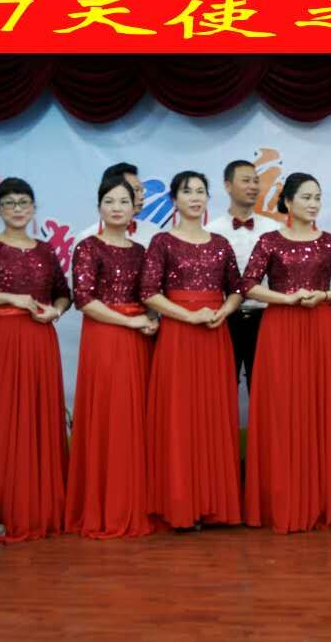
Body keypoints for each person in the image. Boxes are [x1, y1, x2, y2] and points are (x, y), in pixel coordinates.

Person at [0, 177, 72, 543]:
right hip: (5, 339)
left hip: (40, 340)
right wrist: (10, 298)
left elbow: (63, 294)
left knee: (40, 415)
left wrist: (55, 311)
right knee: (7, 415)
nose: (18, 209)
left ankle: (41, 505)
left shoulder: (45, 250)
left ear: (34, 208)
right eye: (9, 203)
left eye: (24, 203)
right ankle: (3, 505)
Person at [240, 173, 331, 534]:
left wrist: (324, 296)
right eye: (306, 197)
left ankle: (319, 499)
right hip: (280, 326)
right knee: (282, 407)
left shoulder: (330, 242)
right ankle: (281, 499)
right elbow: (248, 285)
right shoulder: (269, 241)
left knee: (318, 405)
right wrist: (284, 299)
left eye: (317, 197)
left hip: (320, 326)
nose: (313, 203)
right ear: (288, 201)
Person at [142, 171, 245, 530]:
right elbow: (149, 292)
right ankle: (181, 506)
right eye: (187, 192)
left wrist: (224, 311)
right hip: (178, 336)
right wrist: (189, 315)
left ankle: (215, 505)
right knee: (180, 417)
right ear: (174, 200)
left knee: (214, 415)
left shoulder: (220, 243)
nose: (195, 197)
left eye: (201, 191)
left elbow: (237, 289)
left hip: (214, 333)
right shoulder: (162, 242)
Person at [64, 175, 157, 539]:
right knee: (109, 416)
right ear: (99, 207)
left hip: (137, 341)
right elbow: (85, 300)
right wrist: (130, 321)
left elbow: (150, 296)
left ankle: (137, 501)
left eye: (123, 201)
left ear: (135, 208)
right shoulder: (88, 247)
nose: (116, 208)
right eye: (109, 201)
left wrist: (150, 319)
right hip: (104, 338)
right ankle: (104, 504)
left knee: (137, 417)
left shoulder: (141, 251)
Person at [205, 160, 282, 394]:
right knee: (220, 387)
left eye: (256, 181)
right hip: (224, 319)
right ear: (228, 186)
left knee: (267, 389)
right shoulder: (210, 231)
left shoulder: (274, 229)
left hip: (266, 317)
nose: (253, 186)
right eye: (246, 180)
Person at [74, 163, 165, 246]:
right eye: (136, 190)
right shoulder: (86, 238)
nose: (142, 197)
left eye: (142, 191)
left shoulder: (154, 234)